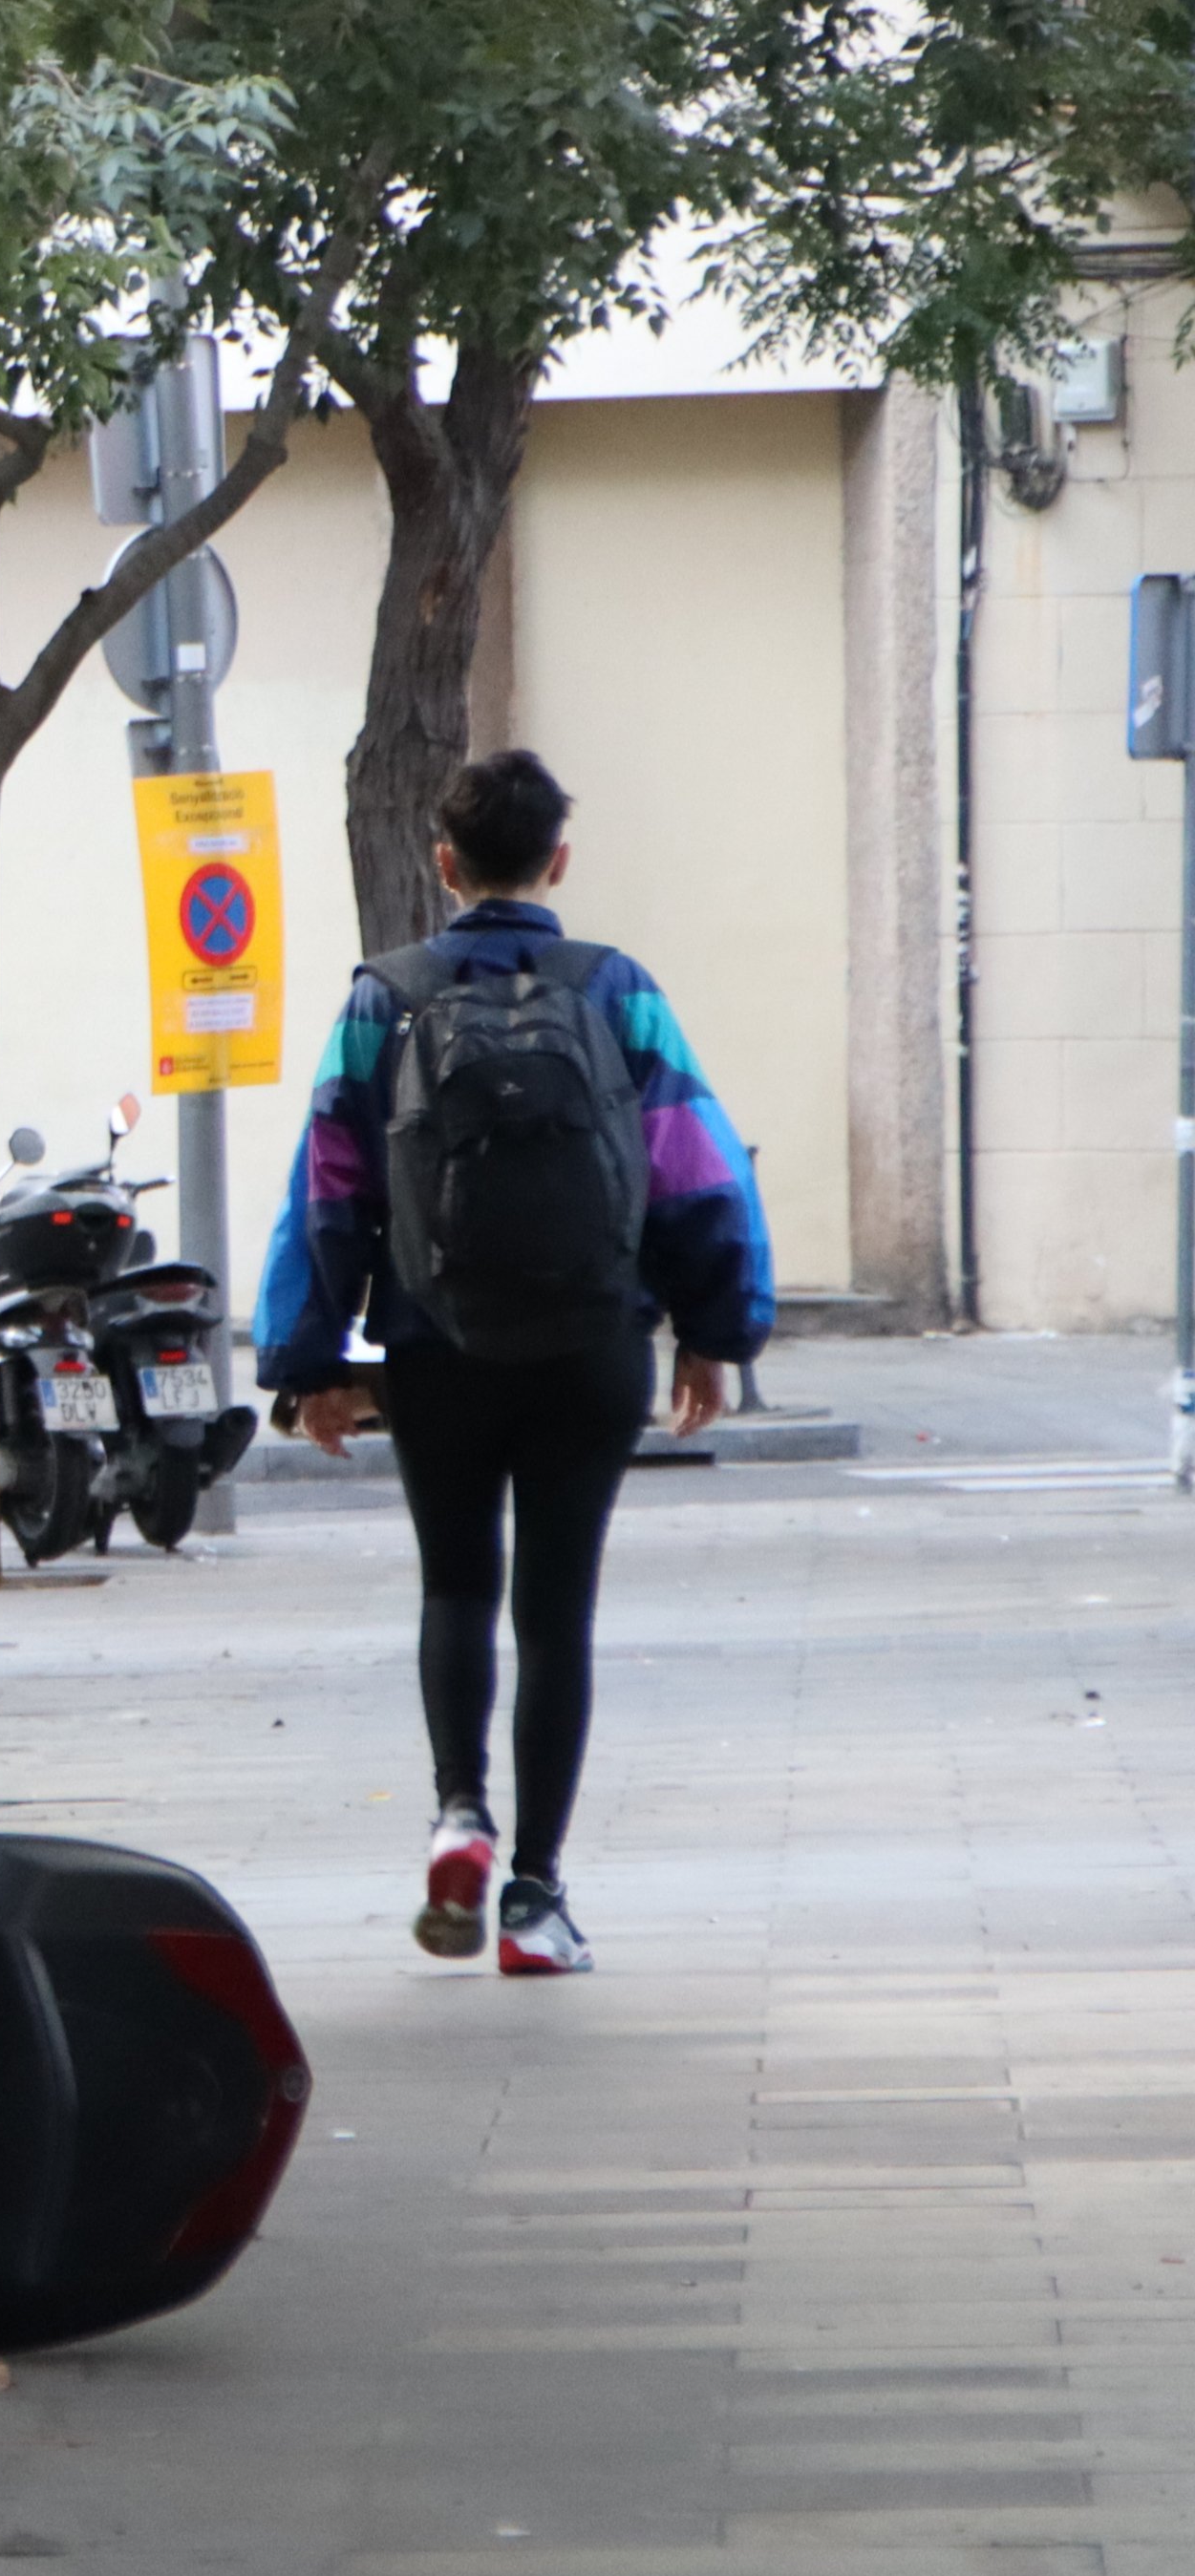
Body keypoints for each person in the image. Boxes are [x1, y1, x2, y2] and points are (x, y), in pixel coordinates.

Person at [256, 751, 773, 1978]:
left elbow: (330, 1184)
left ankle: (457, 1814)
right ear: (559, 861)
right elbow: (693, 1162)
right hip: (592, 1346)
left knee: (455, 1588)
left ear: (444, 864)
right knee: (558, 1611)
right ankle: (536, 1901)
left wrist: (310, 1355)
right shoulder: (617, 990)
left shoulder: (383, 1000)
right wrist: (715, 1329)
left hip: (440, 1346)